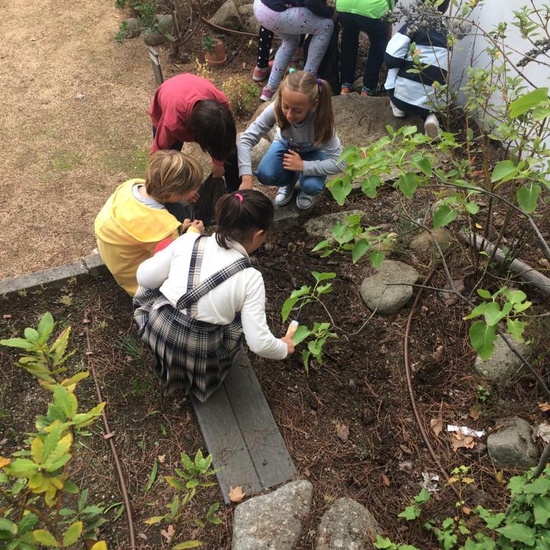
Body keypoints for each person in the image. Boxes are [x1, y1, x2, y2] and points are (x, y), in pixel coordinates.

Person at [133, 190, 295, 401]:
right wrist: (284, 347)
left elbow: (144, 277)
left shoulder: (189, 241)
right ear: (258, 234)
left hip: (159, 328)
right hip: (199, 348)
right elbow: (259, 343)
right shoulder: (250, 278)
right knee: (237, 321)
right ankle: (199, 377)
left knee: (156, 283)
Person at [95, 150, 204, 297]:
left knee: (177, 210)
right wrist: (192, 232)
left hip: (113, 255)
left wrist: (179, 229)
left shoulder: (130, 186)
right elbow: (176, 256)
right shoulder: (163, 227)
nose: (187, 196)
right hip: (135, 283)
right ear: (172, 194)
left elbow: (147, 227)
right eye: (185, 193)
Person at [237, 70, 345, 211]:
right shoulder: (276, 107)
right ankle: (289, 180)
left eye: (297, 111)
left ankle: (306, 190)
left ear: (312, 105)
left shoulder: (321, 121)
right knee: (265, 174)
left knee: (312, 185)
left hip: (314, 153)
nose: (289, 115)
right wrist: (246, 178)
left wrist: (303, 166)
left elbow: (340, 162)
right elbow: (246, 139)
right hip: (286, 146)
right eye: (286, 107)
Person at [149, 73, 240, 191]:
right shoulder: (174, 124)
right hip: (169, 96)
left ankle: (235, 193)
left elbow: (226, 140)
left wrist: (219, 161)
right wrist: (183, 192)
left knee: (231, 154)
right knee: (168, 168)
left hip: (192, 87)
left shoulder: (221, 103)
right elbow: (157, 155)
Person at [384, 0, 451, 138]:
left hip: (402, 97)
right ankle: (431, 117)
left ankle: (398, 107)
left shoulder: (413, 25)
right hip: (433, 102)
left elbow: (391, 58)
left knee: (394, 60)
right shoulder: (447, 33)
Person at [253, 0, 336, 101]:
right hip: (275, 12)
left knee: (291, 40)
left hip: (261, 8)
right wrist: (330, 12)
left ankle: (270, 88)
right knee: (326, 25)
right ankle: (307, 80)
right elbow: (311, 3)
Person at [336, 0, 396, 96]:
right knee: (378, 42)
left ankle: (345, 85)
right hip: (372, 9)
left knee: (348, 38)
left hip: (344, 7)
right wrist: (389, 21)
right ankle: (368, 88)